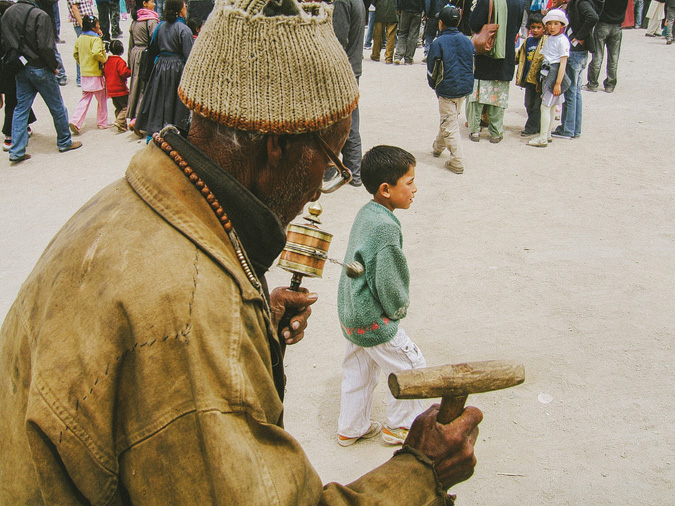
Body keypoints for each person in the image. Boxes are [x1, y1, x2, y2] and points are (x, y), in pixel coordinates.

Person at [0, 0, 483, 503]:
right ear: (276, 143)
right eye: (329, 161)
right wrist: (421, 470)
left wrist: (252, 331)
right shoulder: (191, 313)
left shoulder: (122, 204)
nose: (320, 190)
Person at [337, 145, 427, 447]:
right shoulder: (386, 229)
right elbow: (389, 282)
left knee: (358, 371)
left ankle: (351, 427)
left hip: (351, 312)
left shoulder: (368, 213)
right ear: (386, 189)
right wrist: (397, 311)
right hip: (373, 319)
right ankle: (399, 427)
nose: (415, 188)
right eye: (410, 181)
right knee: (412, 368)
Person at [0, 0, 82, 162]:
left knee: (20, 109)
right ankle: (64, 141)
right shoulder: (40, 15)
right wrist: (54, 67)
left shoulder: (8, 13)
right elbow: (46, 47)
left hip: (19, 66)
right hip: (40, 67)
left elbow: (5, 42)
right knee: (57, 106)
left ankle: (16, 150)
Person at [467, 0, 525, 143]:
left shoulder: (486, 1)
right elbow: (517, 26)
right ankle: (496, 132)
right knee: (498, 96)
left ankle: (475, 130)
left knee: (478, 95)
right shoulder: (518, 3)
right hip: (506, 56)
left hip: (486, 54)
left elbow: (474, 23)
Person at [427, 5, 475, 174]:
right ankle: (438, 146)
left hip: (447, 89)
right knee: (450, 119)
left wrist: (435, 86)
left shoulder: (438, 43)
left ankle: (457, 161)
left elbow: (432, 70)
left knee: (450, 125)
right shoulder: (466, 40)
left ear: (441, 24)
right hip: (464, 88)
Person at [135, 0, 193, 137]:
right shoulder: (184, 30)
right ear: (179, 10)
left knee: (160, 101)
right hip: (177, 68)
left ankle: (154, 133)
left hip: (160, 67)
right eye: (184, 6)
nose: (186, 8)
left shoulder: (160, 27)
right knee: (175, 103)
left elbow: (153, 49)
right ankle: (176, 134)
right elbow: (190, 55)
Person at [551, 0, 597, 139]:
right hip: (580, 52)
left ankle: (568, 128)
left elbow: (593, 17)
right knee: (575, 91)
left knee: (570, 90)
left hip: (576, 52)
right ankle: (574, 129)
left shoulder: (581, 3)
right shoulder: (579, 3)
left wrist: (578, 36)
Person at [332, 0, 365, 186]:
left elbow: (337, 41)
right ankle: (354, 171)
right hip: (351, 67)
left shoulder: (342, 2)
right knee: (350, 118)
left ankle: (348, 172)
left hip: (343, 70)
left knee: (343, 121)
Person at [527, 8, 571, 147]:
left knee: (545, 106)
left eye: (556, 24)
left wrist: (557, 83)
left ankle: (543, 137)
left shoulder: (562, 41)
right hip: (547, 72)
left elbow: (562, 63)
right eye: (550, 23)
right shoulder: (550, 39)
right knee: (550, 106)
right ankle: (548, 134)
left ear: (562, 25)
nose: (552, 27)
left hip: (554, 73)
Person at [0, 0, 37, 152]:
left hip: (9, 67)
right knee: (13, 100)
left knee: (19, 98)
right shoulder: (8, 30)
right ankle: (9, 135)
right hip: (9, 67)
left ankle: (25, 124)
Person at [69, 14, 110, 133]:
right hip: (96, 73)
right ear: (93, 27)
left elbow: (75, 54)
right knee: (102, 98)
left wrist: (82, 63)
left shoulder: (80, 38)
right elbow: (97, 52)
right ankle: (102, 121)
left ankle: (75, 121)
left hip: (85, 72)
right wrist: (104, 60)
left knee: (85, 98)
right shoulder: (96, 39)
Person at [126, 0, 159, 127]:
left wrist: (130, 60)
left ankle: (133, 115)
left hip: (135, 54)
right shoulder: (151, 20)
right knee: (144, 87)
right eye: (152, 1)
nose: (154, 4)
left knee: (135, 85)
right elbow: (155, 41)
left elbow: (130, 43)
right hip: (146, 55)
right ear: (145, 3)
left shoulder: (136, 20)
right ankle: (139, 120)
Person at [584, 0, 628, 93]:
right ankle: (610, 84)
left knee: (597, 55)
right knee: (614, 57)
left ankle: (592, 83)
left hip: (602, 24)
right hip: (617, 26)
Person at [516, 11, 546, 137]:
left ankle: (531, 127)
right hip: (528, 78)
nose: (535, 30)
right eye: (533, 27)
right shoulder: (528, 41)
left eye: (539, 27)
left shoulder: (546, 42)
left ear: (544, 28)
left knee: (536, 105)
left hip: (539, 80)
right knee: (528, 103)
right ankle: (536, 124)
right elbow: (519, 57)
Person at [67, 0, 96, 86]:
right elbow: (74, 8)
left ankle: (87, 76)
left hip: (88, 23)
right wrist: (82, 25)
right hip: (82, 25)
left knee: (89, 49)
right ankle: (81, 78)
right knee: (83, 50)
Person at [104, 39, 131, 131]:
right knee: (126, 106)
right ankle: (119, 121)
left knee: (118, 107)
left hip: (110, 89)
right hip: (120, 89)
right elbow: (124, 73)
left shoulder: (108, 61)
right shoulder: (120, 61)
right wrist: (130, 71)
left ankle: (122, 126)